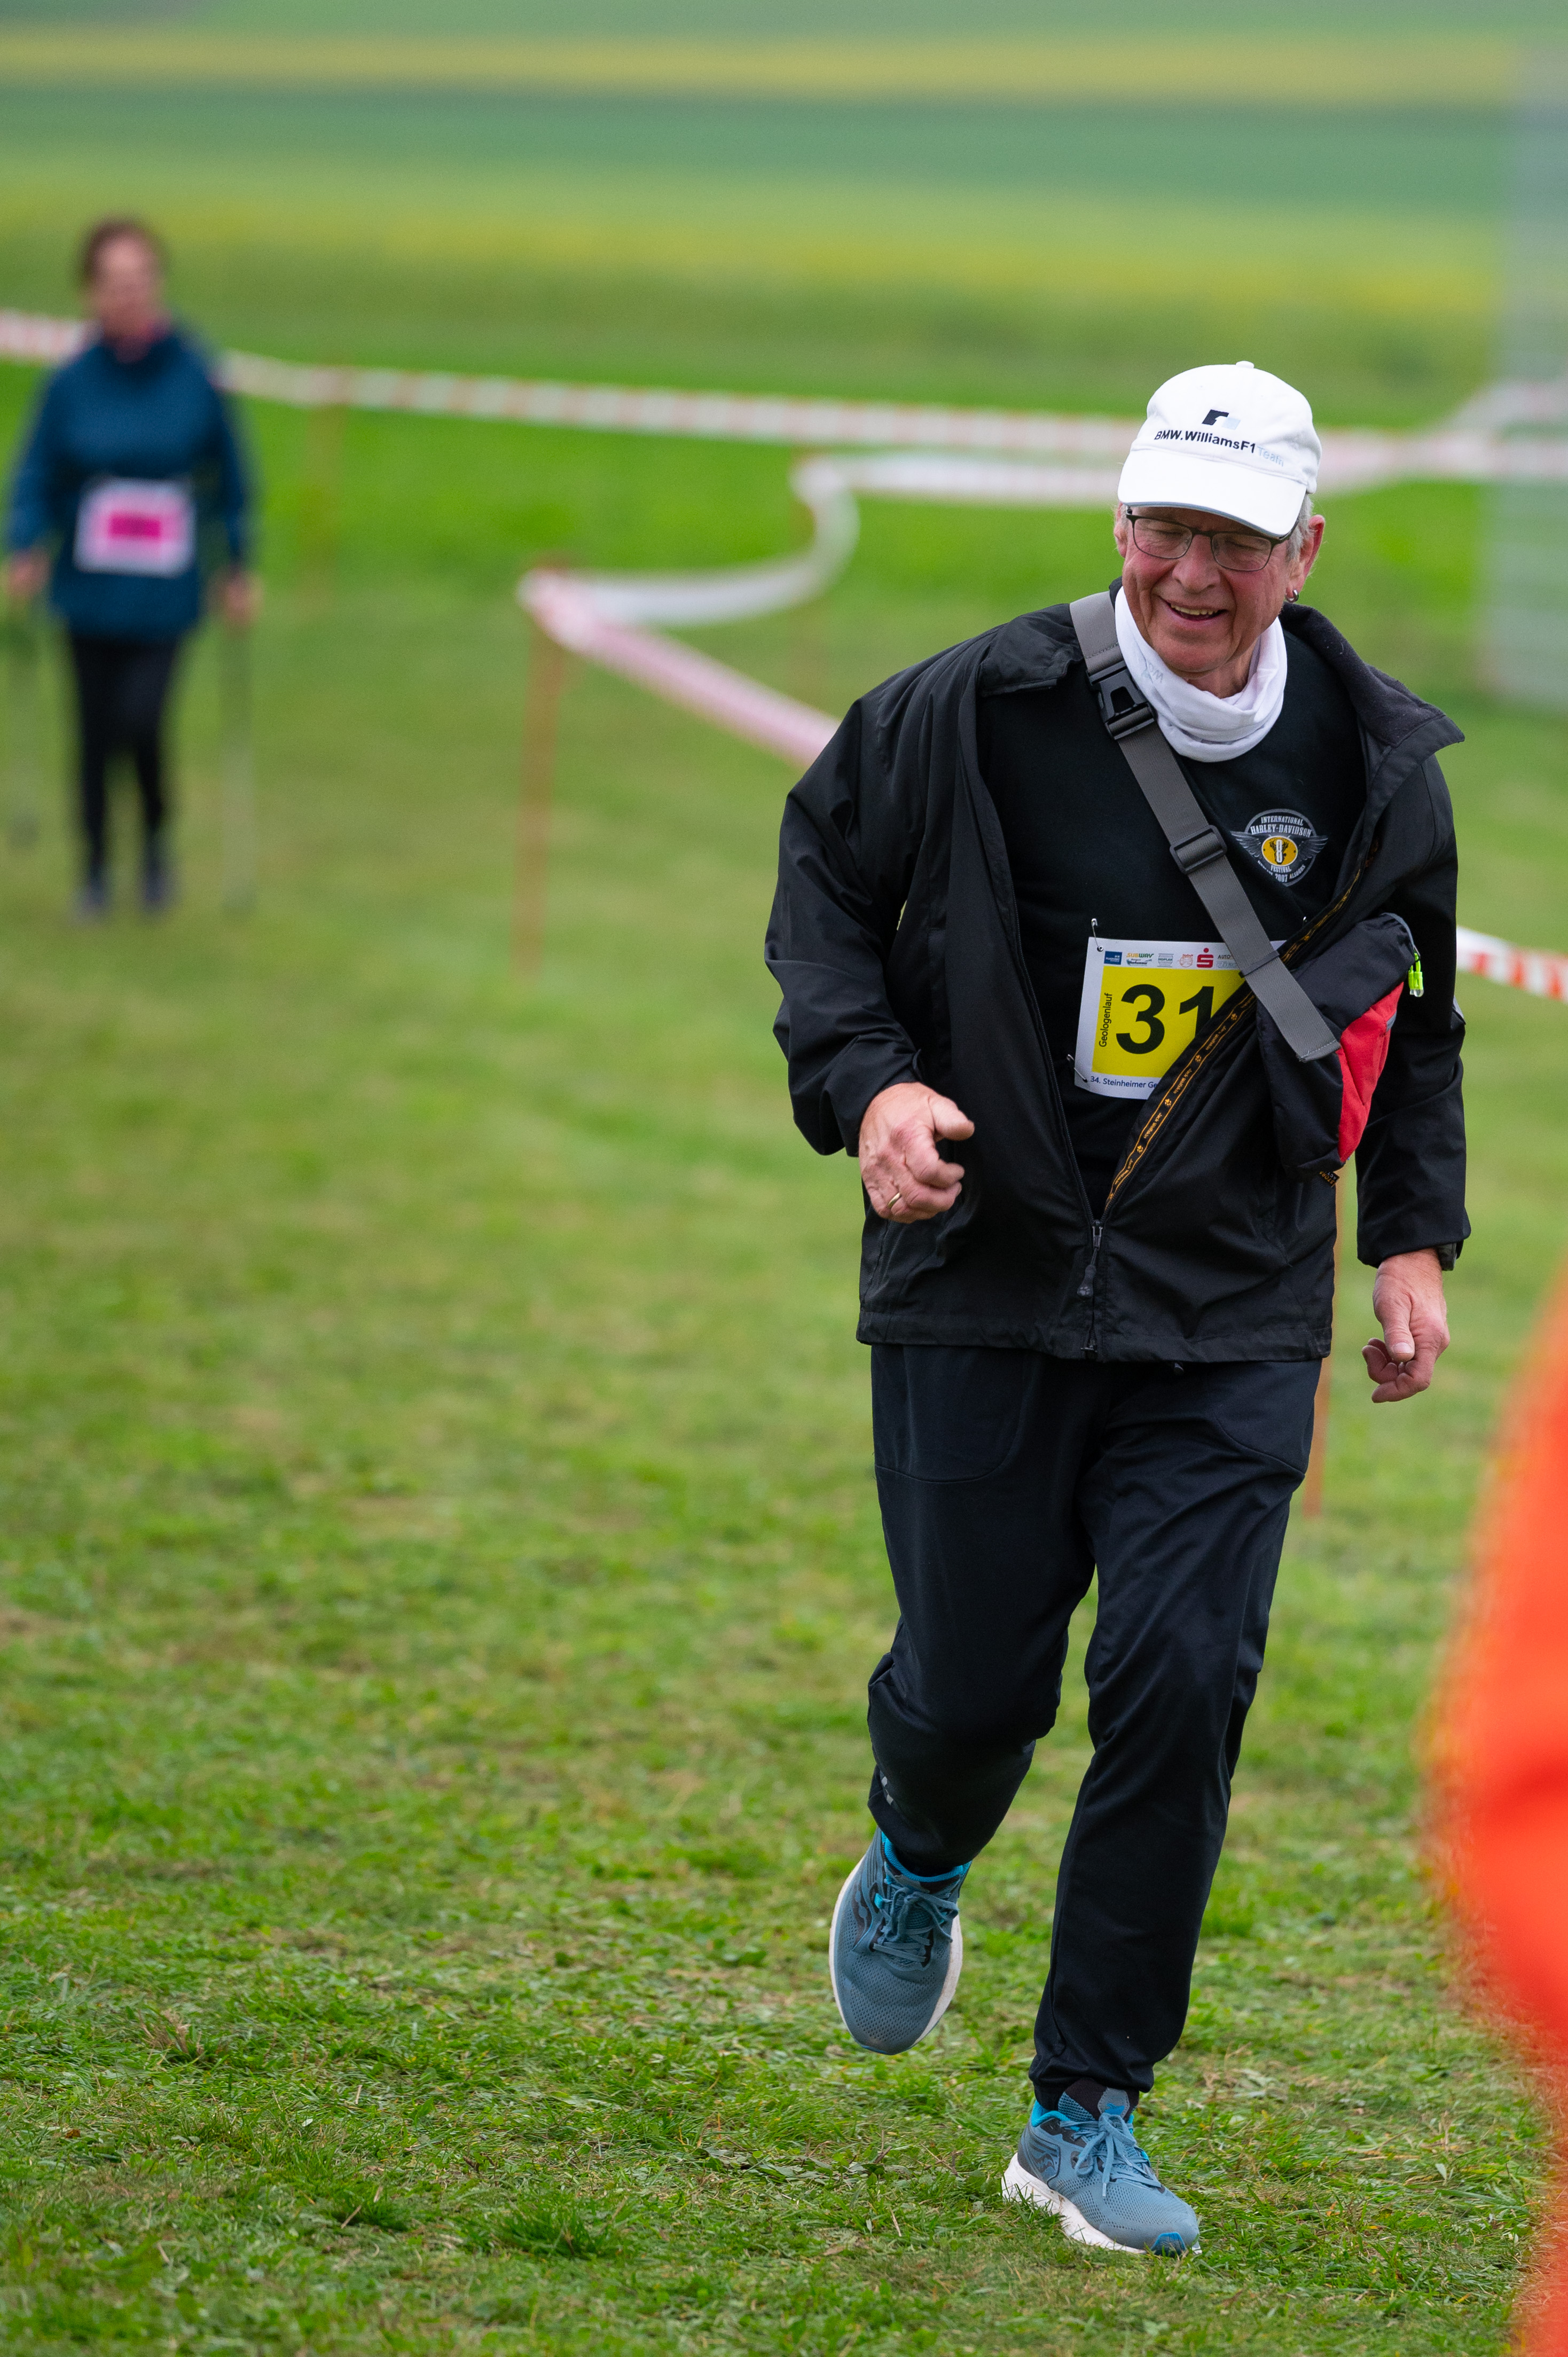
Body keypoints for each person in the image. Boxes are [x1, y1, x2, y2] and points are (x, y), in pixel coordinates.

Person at [766, 362, 1467, 2257]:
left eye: (1237, 538)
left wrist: (1409, 1241)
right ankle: (921, 1843)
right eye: (1166, 526)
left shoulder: (1372, 764)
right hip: (982, 1271)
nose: (1192, 572)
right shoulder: (974, 707)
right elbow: (823, 883)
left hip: (1230, 1297)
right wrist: (871, 1088)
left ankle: (1083, 2106)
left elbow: (1411, 1015)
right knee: (973, 1686)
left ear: (1303, 551)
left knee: (1180, 1678)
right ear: (1119, 521)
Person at [3, 217, 256, 916]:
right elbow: (37, 472)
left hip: (164, 587)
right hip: (90, 584)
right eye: (115, 282)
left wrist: (236, 562)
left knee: (142, 721)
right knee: (92, 730)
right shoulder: (71, 382)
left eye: (142, 279)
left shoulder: (195, 373)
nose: (130, 294)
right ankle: (93, 870)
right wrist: (25, 543)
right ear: (89, 292)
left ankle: (154, 850)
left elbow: (231, 476)